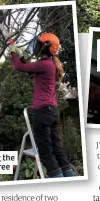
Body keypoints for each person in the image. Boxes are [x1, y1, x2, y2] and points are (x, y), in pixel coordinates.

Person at [9, 33, 75, 178]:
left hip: (43, 112)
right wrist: (22, 57)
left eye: (38, 44)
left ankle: (57, 183)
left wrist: (12, 51)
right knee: (56, 148)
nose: (36, 46)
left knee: (45, 151)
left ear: (45, 47)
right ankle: (70, 179)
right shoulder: (49, 64)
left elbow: (18, 67)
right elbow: (29, 70)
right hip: (52, 111)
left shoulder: (44, 64)